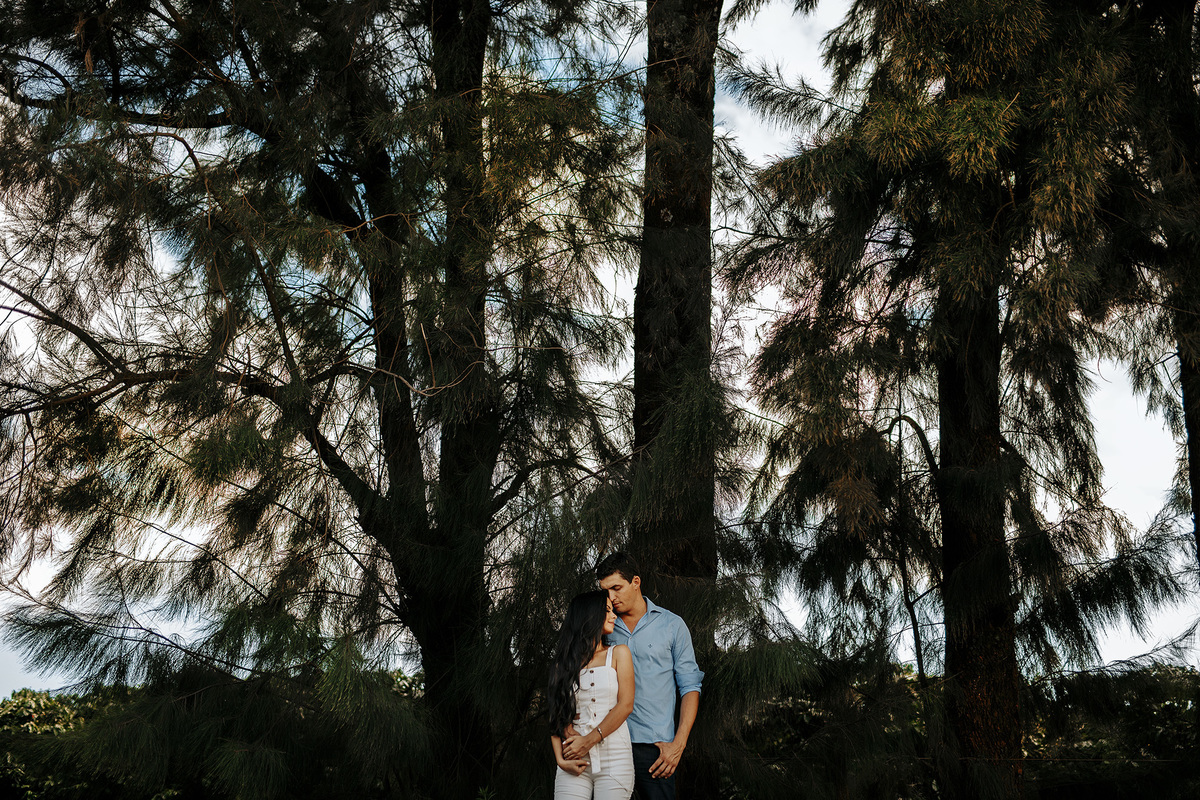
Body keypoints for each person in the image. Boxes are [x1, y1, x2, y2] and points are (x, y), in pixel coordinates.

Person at [565, 552, 703, 800]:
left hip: (655, 750)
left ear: (636, 582)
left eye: (616, 588)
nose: (611, 597)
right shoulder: (602, 626)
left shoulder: (672, 626)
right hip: (605, 744)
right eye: (605, 591)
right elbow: (573, 672)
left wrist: (678, 744)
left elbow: (690, 686)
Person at [549, 590, 636, 799]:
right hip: (573, 756)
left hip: (615, 756)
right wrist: (560, 760)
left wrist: (588, 741)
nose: (614, 616)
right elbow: (556, 714)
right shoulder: (562, 664)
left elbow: (626, 705)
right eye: (607, 610)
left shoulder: (619, 653)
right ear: (589, 615)